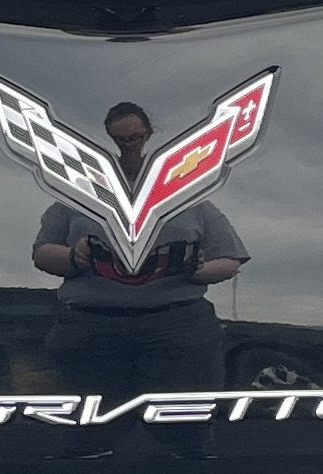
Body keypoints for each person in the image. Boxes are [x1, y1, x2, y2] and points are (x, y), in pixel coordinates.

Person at [32, 99, 246, 398]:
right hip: (92, 326)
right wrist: (73, 255)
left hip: (177, 326)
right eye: (119, 140)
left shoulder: (191, 198)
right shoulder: (75, 197)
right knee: (89, 424)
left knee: (185, 424)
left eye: (134, 138)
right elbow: (42, 253)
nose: (128, 147)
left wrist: (198, 270)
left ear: (147, 135)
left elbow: (230, 259)